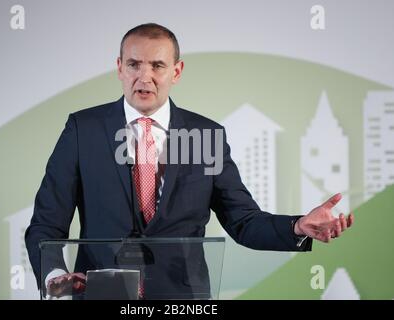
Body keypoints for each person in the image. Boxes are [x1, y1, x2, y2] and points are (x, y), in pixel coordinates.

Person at [25, 23, 354, 299]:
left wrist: (296, 226)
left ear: (176, 71)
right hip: (102, 296)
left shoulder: (207, 134)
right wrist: (55, 273)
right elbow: (46, 222)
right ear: (119, 68)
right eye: (134, 64)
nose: (145, 77)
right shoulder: (84, 129)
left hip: (184, 299)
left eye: (157, 66)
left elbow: (242, 220)